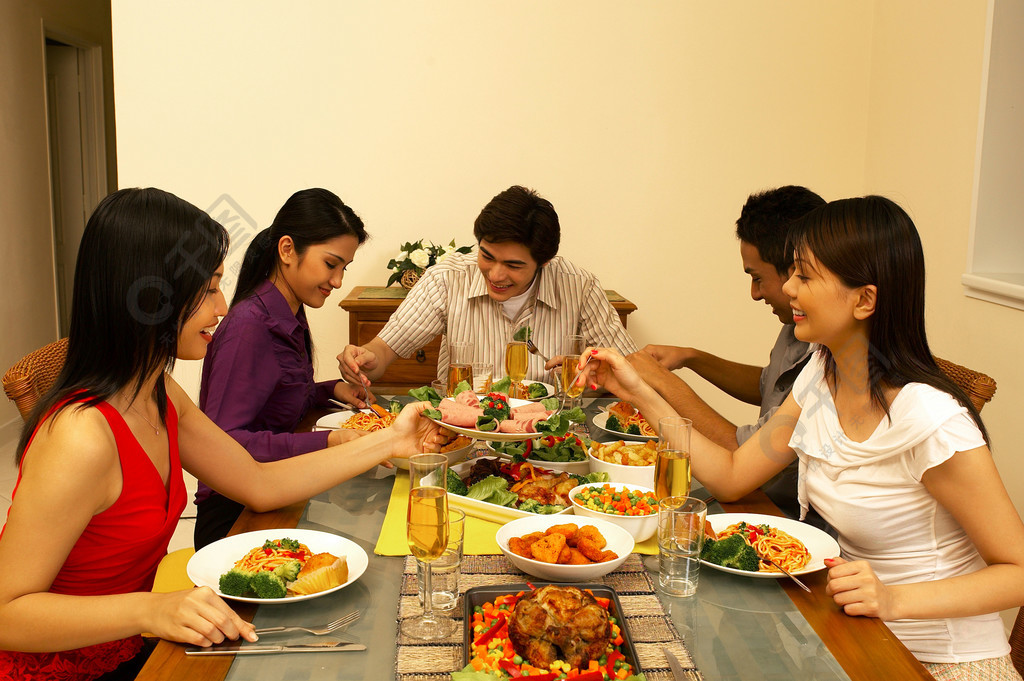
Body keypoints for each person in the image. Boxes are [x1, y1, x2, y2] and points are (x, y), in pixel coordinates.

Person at [0, 188, 443, 681]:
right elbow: (6, 613)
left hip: (125, 649)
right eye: (209, 287)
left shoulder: (159, 392)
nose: (220, 306)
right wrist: (150, 610)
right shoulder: (81, 435)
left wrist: (393, 441)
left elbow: (257, 482)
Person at [577, 196, 1024, 678]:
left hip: (939, 663)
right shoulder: (821, 374)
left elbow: (1017, 571)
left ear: (864, 299)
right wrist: (637, 391)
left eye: (805, 276)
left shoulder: (930, 420)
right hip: (850, 638)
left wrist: (893, 598)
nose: (787, 287)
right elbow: (731, 476)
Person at [629, 186, 825, 524]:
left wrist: (656, 383)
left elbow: (741, 459)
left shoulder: (831, 358)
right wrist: (692, 358)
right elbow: (769, 384)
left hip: (776, 511)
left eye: (758, 278)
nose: (754, 294)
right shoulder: (802, 335)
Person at [196, 188, 372, 549]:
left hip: (272, 487)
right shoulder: (249, 326)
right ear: (287, 249)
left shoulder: (288, 309)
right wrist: (330, 441)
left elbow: (277, 399)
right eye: (331, 264)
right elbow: (225, 441)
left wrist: (330, 389)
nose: (338, 281)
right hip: (234, 512)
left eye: (344, 268)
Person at [337, 185, 637, 389]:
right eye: (487, 256)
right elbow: (382, 352)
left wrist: (597, 369)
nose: (495, 274)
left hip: (548, 439)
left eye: (513, 265)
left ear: (544, 261)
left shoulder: (578, 287)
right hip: (460, 435)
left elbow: (632, 370)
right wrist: (365, 360)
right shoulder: (448, 278)